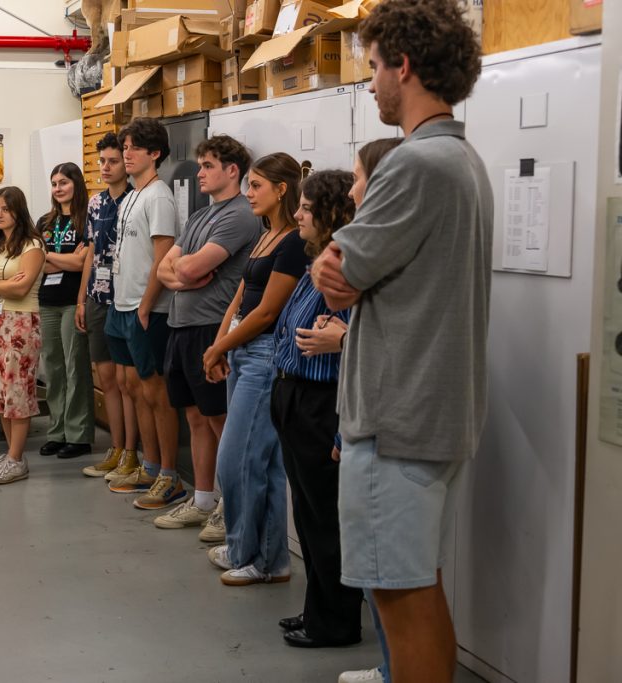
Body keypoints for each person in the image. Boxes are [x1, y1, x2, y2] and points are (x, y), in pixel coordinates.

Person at [312, 1, 491, 679]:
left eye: (374, 68)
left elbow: (336, 273)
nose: (372, 83)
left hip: (396, 422)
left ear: (404, 65)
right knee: (419, 587)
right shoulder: (462, 159)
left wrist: (338, 266)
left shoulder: (414, 166)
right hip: (429, 417)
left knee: (400, 598)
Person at [202, 153, 307, 582]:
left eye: (257, 186)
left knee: (239, 461)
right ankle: (267, 557)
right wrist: (219, 345)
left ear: (282, 189)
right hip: (242, 351)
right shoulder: (266, 235)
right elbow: (241, 295)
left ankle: (254, 557)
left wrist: (221, 346)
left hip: (264, 355)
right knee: (258, 461)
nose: (249, 193)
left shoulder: (295, 242)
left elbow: (265, 313)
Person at [271, 171, 361, 650]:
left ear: (328, 213)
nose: (298, 215)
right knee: (306, 515)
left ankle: (336, 622)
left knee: (325, 519)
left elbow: (364, 347)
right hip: (294, 397)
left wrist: (339, 341)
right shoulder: (316, 263)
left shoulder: (346, 269)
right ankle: (316, 609)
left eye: (306, 208)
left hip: (321, 402)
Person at [153, 135, 260, 527]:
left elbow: (187, 268)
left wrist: (183, 275)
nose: (199, 173)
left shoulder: (240, 215)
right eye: (200, 165)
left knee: (220, 420)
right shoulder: (200, 217)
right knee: (195, 418)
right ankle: (201, 500)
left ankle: (229, 508)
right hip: (181, 326)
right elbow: (168, 268)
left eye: (208, 165)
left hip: (210, 330)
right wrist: (183, 277)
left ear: (233, 171)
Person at [337, 138, 402, 683]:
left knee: (398, 576)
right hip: (367, 415)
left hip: (392, 421)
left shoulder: (390, 222)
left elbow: (334, 280)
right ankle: (387, 666)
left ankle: (392, 669)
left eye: (359, 178)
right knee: (384, 571)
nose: (351, 189)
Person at [102, 117, 180, 508]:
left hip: (146, 309)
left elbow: (164, 257)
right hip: (121, 303)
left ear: (156, 154)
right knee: (133, 388)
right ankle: (148, 466)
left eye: (134, 148)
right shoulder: (132, 195)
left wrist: (147, 305)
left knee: (156, 392)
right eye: (125, 146)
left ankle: (169, 473)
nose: (127, 153)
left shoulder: (159, 196)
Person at [75, 132, 141, 479]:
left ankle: (132, 451)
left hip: (126, 297)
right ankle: (115, 448)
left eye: (113, 161)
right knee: (106, 377)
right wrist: (82, 298)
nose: (105, 167)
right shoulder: (96, 203)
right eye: (101, 161)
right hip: (98, 297)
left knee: (126, 380)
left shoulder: (135, 200)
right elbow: (90, 253)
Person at [0, 186, 46, 485]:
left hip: (21, 324)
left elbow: (21, 289)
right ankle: (11, 454)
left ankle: (17, 459)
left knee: (17, 391)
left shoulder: (33, 245)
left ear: (18, 211)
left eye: (5, 208)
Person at [37, 162, 94, 459]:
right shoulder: (45, 222)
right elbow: (38, 264)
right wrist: (65, 258)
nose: (58, 188)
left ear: (76, 185)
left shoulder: (86, 220)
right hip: (48, 300)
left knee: (75, 367)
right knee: (53, 369)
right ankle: (57, 431)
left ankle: (79, 434)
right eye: (54, 183)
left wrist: (53, 257)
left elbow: (84, 263)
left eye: (64, 182)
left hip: (74, 300)